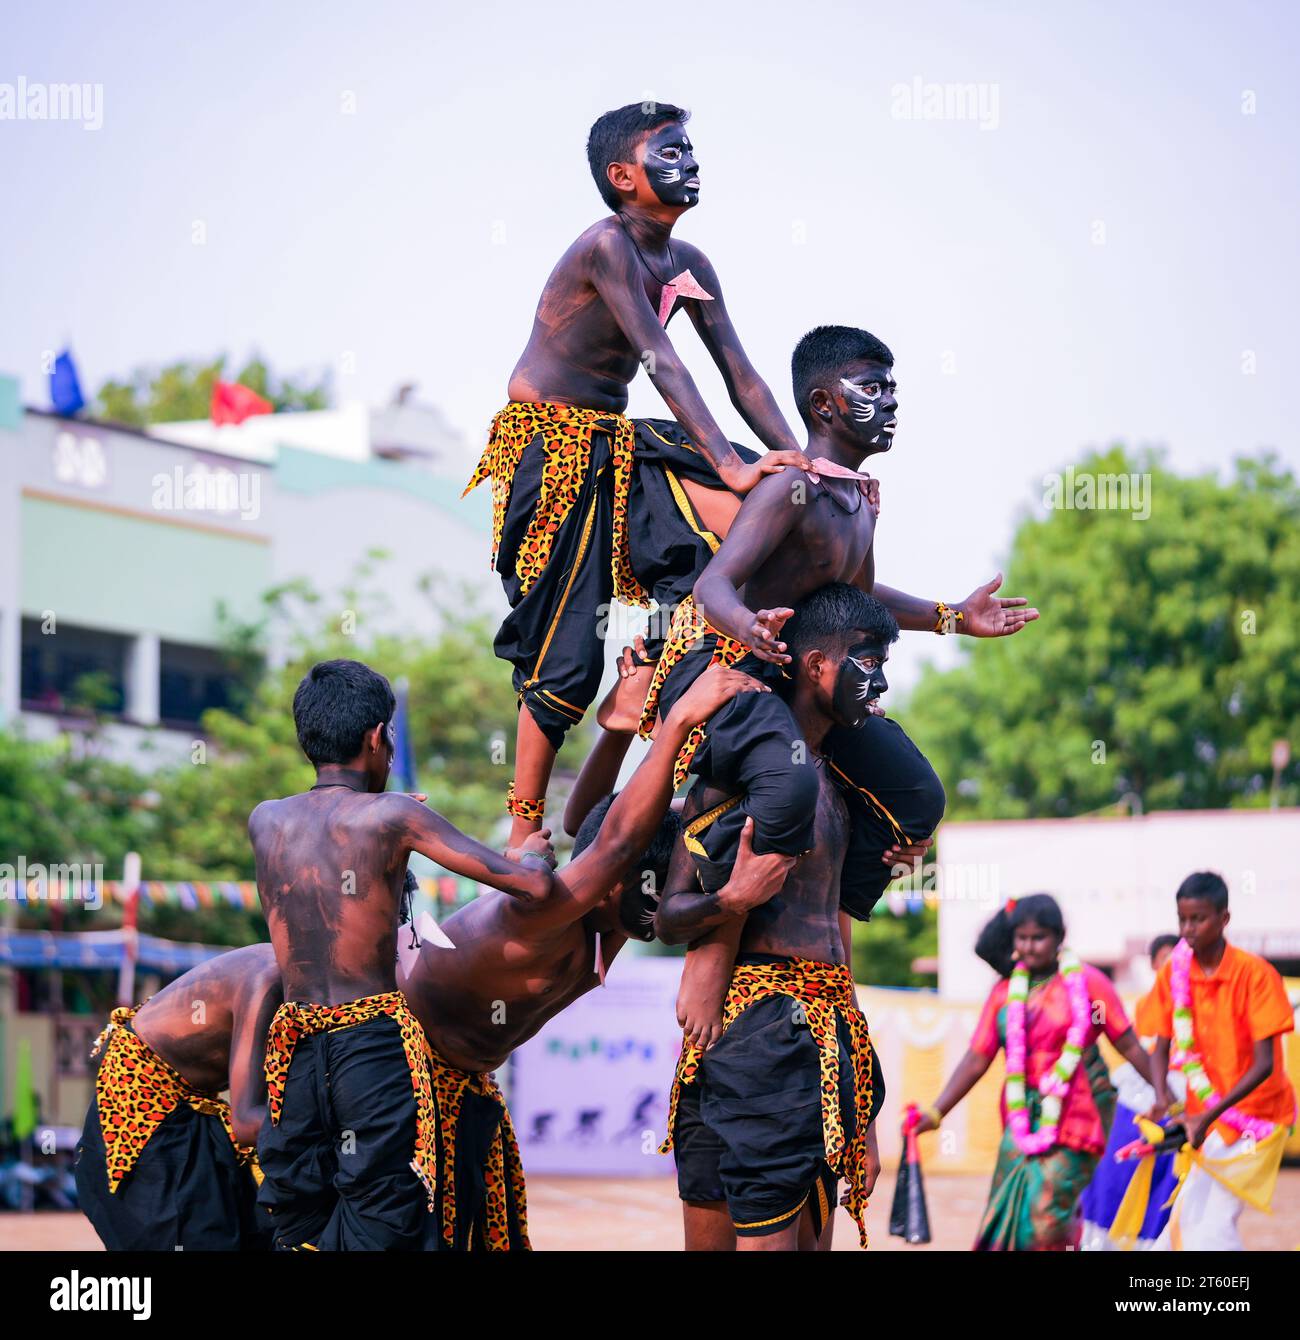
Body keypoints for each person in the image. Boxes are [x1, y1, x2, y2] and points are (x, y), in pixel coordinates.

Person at [463, 101, 811, 852]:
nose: (690, 163)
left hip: (621, 445)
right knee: (564, 650)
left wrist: (805, 460)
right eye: (671, 152)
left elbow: (740, 374)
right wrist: (729, 460)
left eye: (692, 150)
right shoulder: (606, 247)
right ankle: (524, 830)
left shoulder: (690, 264)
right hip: (551, 450)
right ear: (623, 177)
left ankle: (667, 660)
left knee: (750, 522)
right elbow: (662, 362)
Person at [398, 662, 773, 1250]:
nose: (664, 922)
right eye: (659, 901)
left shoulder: (614, 919)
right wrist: (674, 722)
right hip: (399, 1078)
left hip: (465, 1088)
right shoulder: (546, 905)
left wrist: (623, 728)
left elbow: (596, 820)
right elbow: (613, 836)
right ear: (615, 883)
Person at [249, 658, 556, 1251]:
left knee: (298, 1213)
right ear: (376, 738)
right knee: (385, 1213)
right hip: (370, 1045)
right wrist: (535, 854)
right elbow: (532, 888)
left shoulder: (267, 821)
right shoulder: (394, 816)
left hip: (295, 1053)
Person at [654, 584, 892, 1251]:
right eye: (869, 664)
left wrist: (864, 1103)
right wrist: (732, 899)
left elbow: (841, 950)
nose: (880, 685)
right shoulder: (737, 773)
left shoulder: (844, 787)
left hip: (821, 1037)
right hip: (751, 1033)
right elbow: (671, 916)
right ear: (817, 665)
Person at [910, 894, 1165, 1250]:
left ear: (1060, 937)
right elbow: (975, 1059)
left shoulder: (1088, 984)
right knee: (1007, 1212)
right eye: (1022, 938)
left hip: (1078, 1113)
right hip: (1021, 1117)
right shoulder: (1003, 993)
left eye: (1039, 938)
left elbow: (1130, 1045)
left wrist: (1168, 1096)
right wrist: (936, 1112)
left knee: (1047, 1214)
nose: (1029, 947)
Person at [74, 944, 281, 1251]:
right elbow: (247, 1123)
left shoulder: (313, 987)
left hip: (187, 1118)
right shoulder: (270, 978)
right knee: (198, 1238)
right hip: (146, 1124)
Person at [1146, 872, 1296, 1251]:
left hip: (1257, 1120)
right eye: (1182, 919)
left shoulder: (1256, 974)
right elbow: (1161, 1046)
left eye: (1198, 919)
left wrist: (1206, 1117)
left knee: (1211, 1223)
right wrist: (1163, 1097)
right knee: (1185, 1220)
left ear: (1224, 919)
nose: (1188, 928)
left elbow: (1264, 1065)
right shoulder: (1174, 974)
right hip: (1207, 1120)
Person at [1079, 934, 1184, 1250]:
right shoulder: (1144, 1007)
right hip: (1137, 1106)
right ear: (1154, 964)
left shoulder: (1203, 1006)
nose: (1174, 966)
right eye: (1167, 959)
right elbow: (1138, 1052)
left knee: (1164, 1191)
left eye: (1181, 959)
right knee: (1114, 1180)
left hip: (1179, 1111)